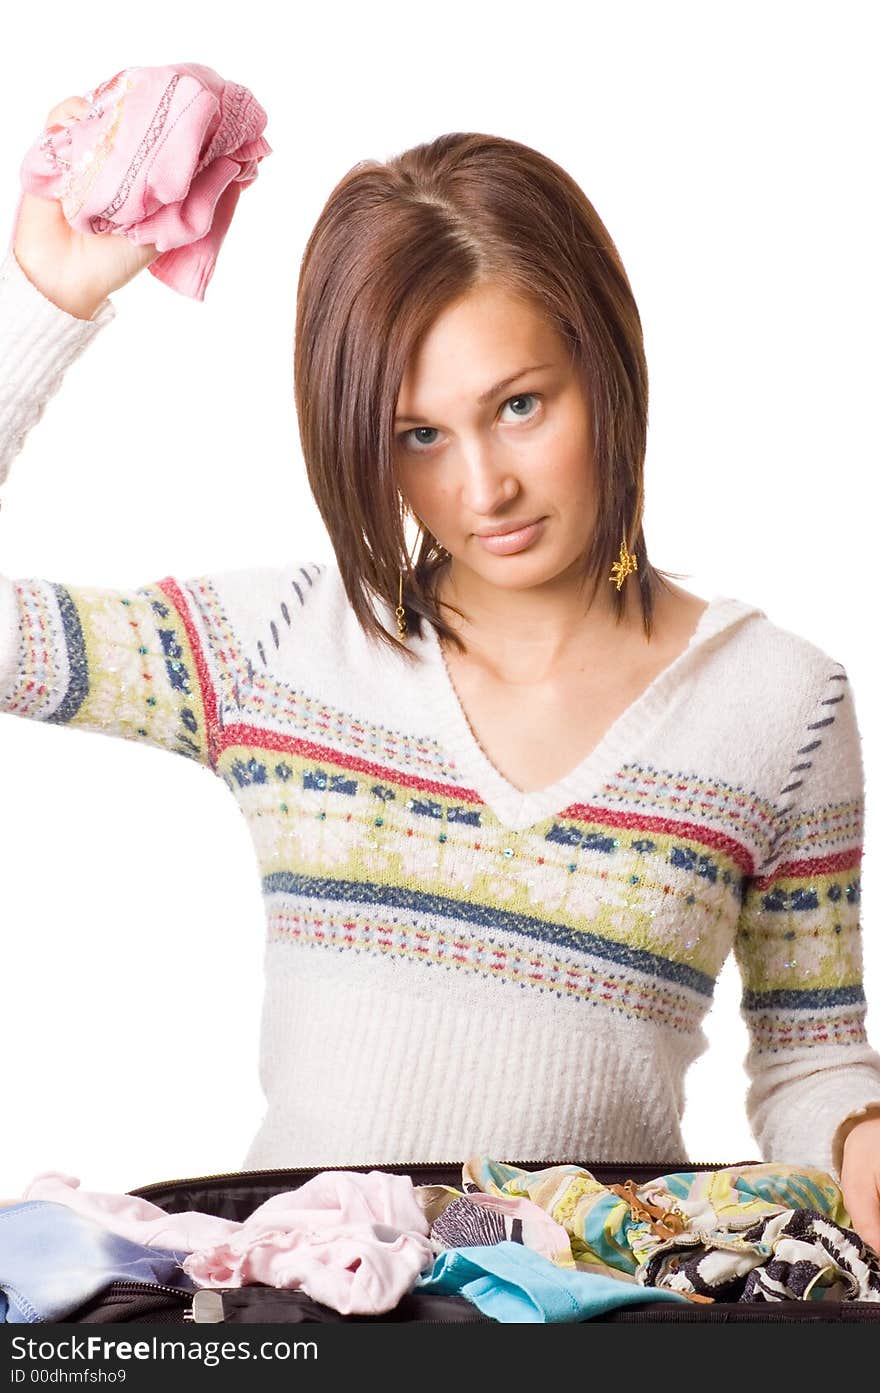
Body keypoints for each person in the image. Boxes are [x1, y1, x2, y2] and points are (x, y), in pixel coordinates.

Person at [3, 99, 880, 1249]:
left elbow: (808, 1055)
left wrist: (857, 1135)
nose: (483, 489)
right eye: (418, 435)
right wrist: (44, 303)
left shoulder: (781, 705)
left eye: (519, 406)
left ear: (604, 367)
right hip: (303, 1318)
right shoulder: (279, 651)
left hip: (605, 1317)